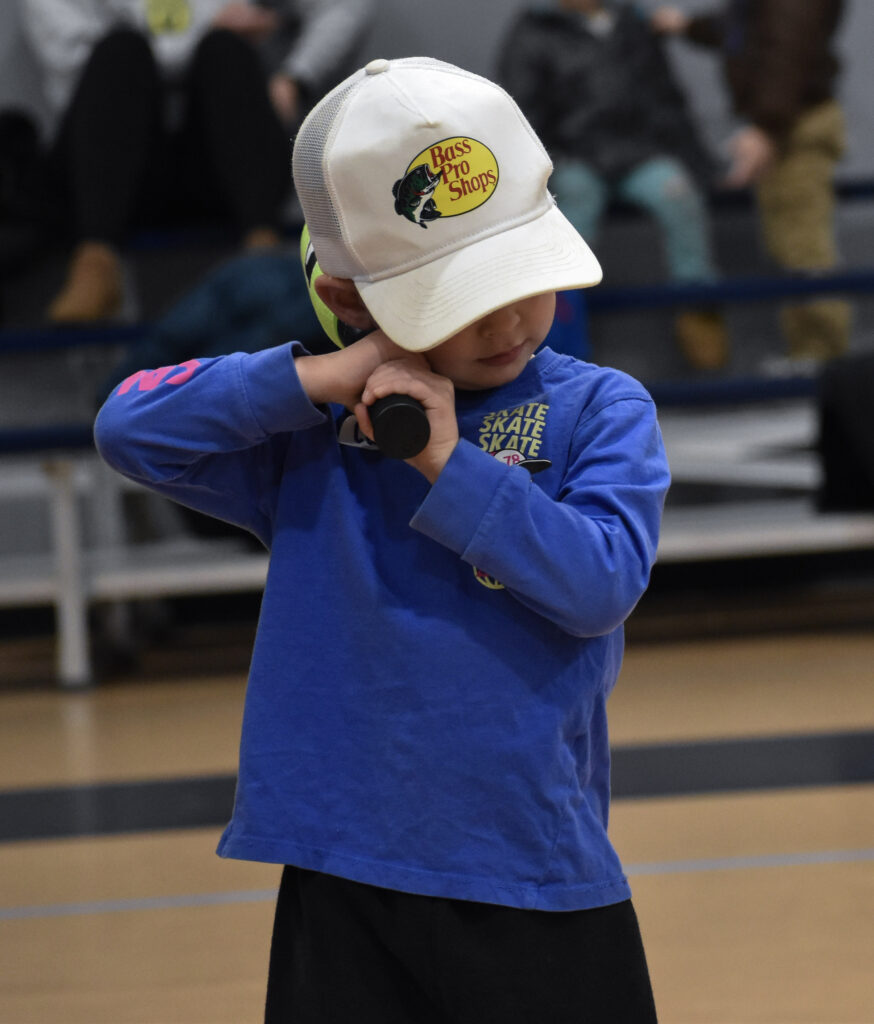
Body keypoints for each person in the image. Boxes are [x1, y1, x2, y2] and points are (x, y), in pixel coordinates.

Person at [95, 56, 669, 1021]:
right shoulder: (316, 430)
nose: (513, 321)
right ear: (356, 298)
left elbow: (600, 582)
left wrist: (448, 462)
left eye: (523, 279)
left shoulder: (599, 407)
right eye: (462, 298)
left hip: (530, 869)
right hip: (343, 872)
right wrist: (322, 377)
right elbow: (130, 429)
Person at [18, 0, 374, 323]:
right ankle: (95, 263)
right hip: (116, 164)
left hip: (222, 160)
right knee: (121, 52)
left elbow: (347, 6)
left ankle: (260, 256)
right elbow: (79, 70)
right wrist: (199, 37)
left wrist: (296, 79)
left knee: (226, 52)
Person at [498, 0, 728, 371]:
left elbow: (665, 96)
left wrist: (697, 159)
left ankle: (700, 315)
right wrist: (545, 161)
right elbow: (521, 108)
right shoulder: (533, 33)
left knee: (679, 198)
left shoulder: (632, 23)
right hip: (573, 156)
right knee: (571, 228)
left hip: (638, 151)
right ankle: (561, 337)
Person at [652, 0, 851, 365]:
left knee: (803, 247)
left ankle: (821, 357)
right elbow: (749, 29)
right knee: (790, 245)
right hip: (787, 124)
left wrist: (766, 127)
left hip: (793, 128)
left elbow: (787, 49)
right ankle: (811, 354)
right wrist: (689, 27)